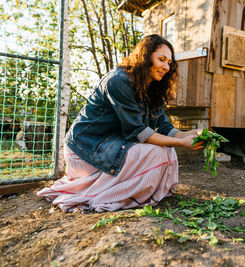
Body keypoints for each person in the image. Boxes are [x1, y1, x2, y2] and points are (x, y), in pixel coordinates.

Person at [37, 34, 203, 212]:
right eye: (161, 59)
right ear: (146, 57)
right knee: (157, 153)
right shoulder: (119, 82)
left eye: (169, 63)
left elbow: (164, 127)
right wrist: (181, 143)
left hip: (114, 145)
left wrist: (192, 135)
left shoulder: (152, 87)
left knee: (167, 150)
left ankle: (143, 192)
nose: (165, 67)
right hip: (85, 148)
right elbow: (137, 132)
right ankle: (110, 194)